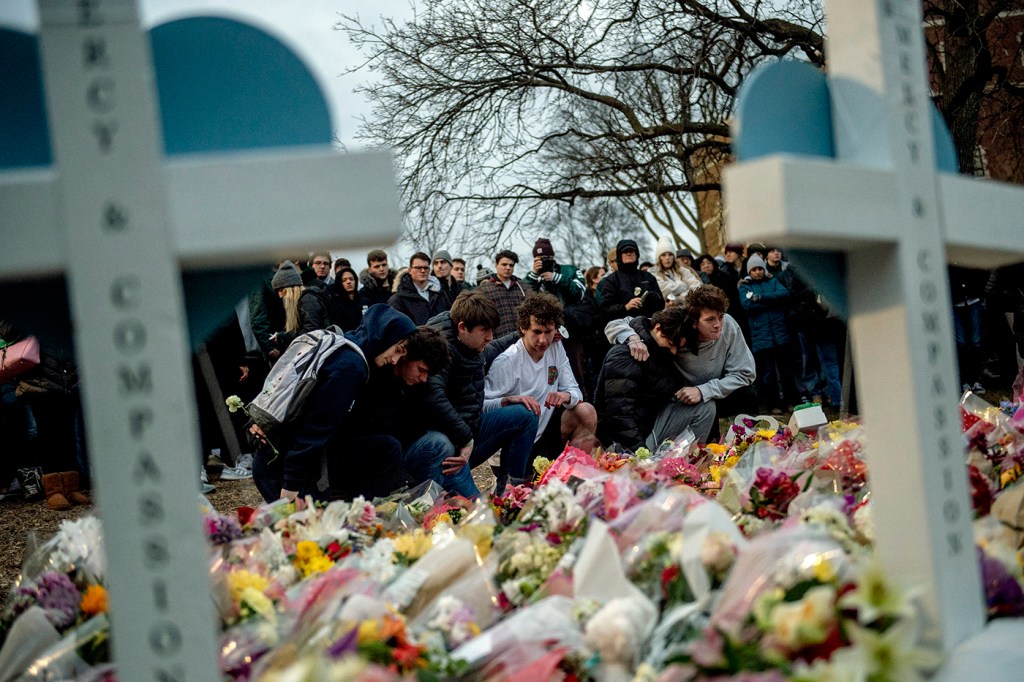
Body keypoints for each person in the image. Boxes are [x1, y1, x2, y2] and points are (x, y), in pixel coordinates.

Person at [250, 305, 429, 502]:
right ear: (383, 336)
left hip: (280, 455)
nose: (395, 360)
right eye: (397, 350)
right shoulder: (350, 367)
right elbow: (314, 429)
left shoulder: (341, 346)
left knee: (386, 448)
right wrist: (291, 485)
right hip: (283, 465)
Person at [403, 291, 538, 497]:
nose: (490, 336)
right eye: (485, 330)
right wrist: (465, 439)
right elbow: (433, 395)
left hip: (468, 433)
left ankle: (511, 493)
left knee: (525, 415)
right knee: (478, 513)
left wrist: (523, 334)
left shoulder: (469, 341)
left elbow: (491, 348)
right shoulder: (438, 348)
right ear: (462, 328)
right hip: (447, 447)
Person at [606, 284, 757, 443]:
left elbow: (745, 373)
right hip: (684, 397)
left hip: (715, 389)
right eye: (710, 319)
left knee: (748, 395)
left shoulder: (729, 325)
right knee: (705, 412)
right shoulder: (678, 329)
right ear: (694, 322)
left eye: (720, 316)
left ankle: (749, 442)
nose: (718, 324)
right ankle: (701, 446)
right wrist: (633, 338)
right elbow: (620, 324)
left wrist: (704, 390)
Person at [484, 294, 598, 478]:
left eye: (548, 331)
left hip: (544, 431)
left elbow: (575, 391)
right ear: (523, 328)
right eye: (536, 332)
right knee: (523, 497)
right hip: (513, 444)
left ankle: (577, 475)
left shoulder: (556, 346)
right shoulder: (507, 361)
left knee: (585, 411)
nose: (543, 340)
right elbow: (482, 406)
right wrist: (507, 400)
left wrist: (565, 396)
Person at [595, 306, 715, 448]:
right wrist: (640, 452)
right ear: (658, 328)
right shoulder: (627, 354)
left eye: (679, 347)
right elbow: (619, 413)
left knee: (705, 406)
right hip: (627, 439)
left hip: (650, 425)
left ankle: (685, 460)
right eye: (671, 344)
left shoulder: (662, 353)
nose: (674, 351)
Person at [739, 255, 798, 413]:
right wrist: (772, 302)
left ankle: (790, 401)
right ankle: (772, 404)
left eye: (760, 269)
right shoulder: (745, 286)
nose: (758, 272)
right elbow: (747, 305)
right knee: (768, 373)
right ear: (749, 271)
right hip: (761, 336)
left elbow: (784, 295)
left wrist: (761, 299)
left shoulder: (773, 281)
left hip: (780, 333)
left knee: (786, 371)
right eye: (754, 269)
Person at [564, 265, 609, 400]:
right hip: (593, 344)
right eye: (602, 275)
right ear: (594, 279)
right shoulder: (586, 298)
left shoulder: (606, 294)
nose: (605, 277)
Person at [270, 260, 333, 350]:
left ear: (290, 289)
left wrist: (284, 336)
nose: (280, 295)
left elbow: (311, 331)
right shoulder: (304, 300)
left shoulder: (307, 300)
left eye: (281, 290)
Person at [598, 238, 664, 323]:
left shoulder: (648, 277)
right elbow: (604, 309)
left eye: (632, 251)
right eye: (625, 252)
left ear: (637, 254)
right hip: (622, 325)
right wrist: (625, 307)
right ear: (619, 256)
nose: (629, 254)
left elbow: (661, 305)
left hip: (647, 323)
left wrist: (655, 298)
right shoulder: (611, 280)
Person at [476, 249, 528, 337]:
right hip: (498, 340)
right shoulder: (484, 289)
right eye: (504, 264)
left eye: (511, 265)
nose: (508, 268)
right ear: (496, 265)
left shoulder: (523, 287)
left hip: (523, 339)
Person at [388, 252, 448, 324]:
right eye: (418, 268)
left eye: (425, 268)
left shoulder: (440, 294)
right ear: (410, 271)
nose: (423, 271)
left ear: (429, 270)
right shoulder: (398, 300)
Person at [523, 238, 585, 306]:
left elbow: (580, 294)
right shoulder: (531, 277)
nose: (542, 261)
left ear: (551, 257)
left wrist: (557, 278)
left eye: (544, 258)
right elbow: (524, 297)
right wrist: (534, 275)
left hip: (569, 315)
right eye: (538, 259)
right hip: (545, 315)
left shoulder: (570, 270)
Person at [651, 236, 701, 306]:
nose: (667, 258)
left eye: (670, 254)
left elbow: (697, 286)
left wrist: (680, 298)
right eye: (663, 255)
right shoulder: (653, 274)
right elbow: (664, 291)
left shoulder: (683, 270)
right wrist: (682, 285)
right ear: (659, 258)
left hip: (689, 307)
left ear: (674, 257)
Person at [329, 266, 365, 332]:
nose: (348, 282)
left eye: (351, 279)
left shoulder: (363, 300)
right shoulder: (336, 304)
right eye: (344, 280)